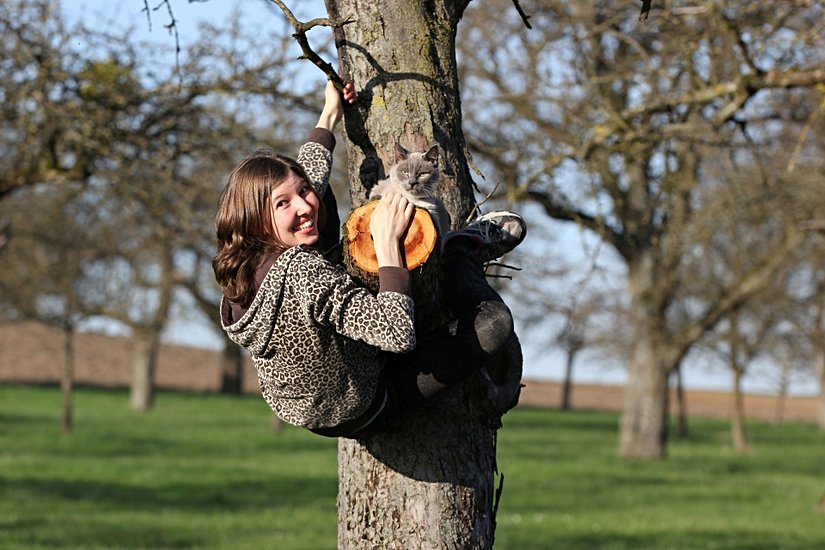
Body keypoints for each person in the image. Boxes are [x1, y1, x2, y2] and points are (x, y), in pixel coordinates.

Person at [212, 80, 526, 438]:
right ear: (255, 217)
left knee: (322, 202)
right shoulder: (303, 272)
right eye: (283, 203)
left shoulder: (242, 259)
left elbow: (308, 182)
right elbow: (396, 335)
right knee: (495, 323)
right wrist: (388, 244)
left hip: (318, 394)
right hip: (371, 402)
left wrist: (330, 113)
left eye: (300, 192)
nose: (302, 205)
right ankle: (461, 250)